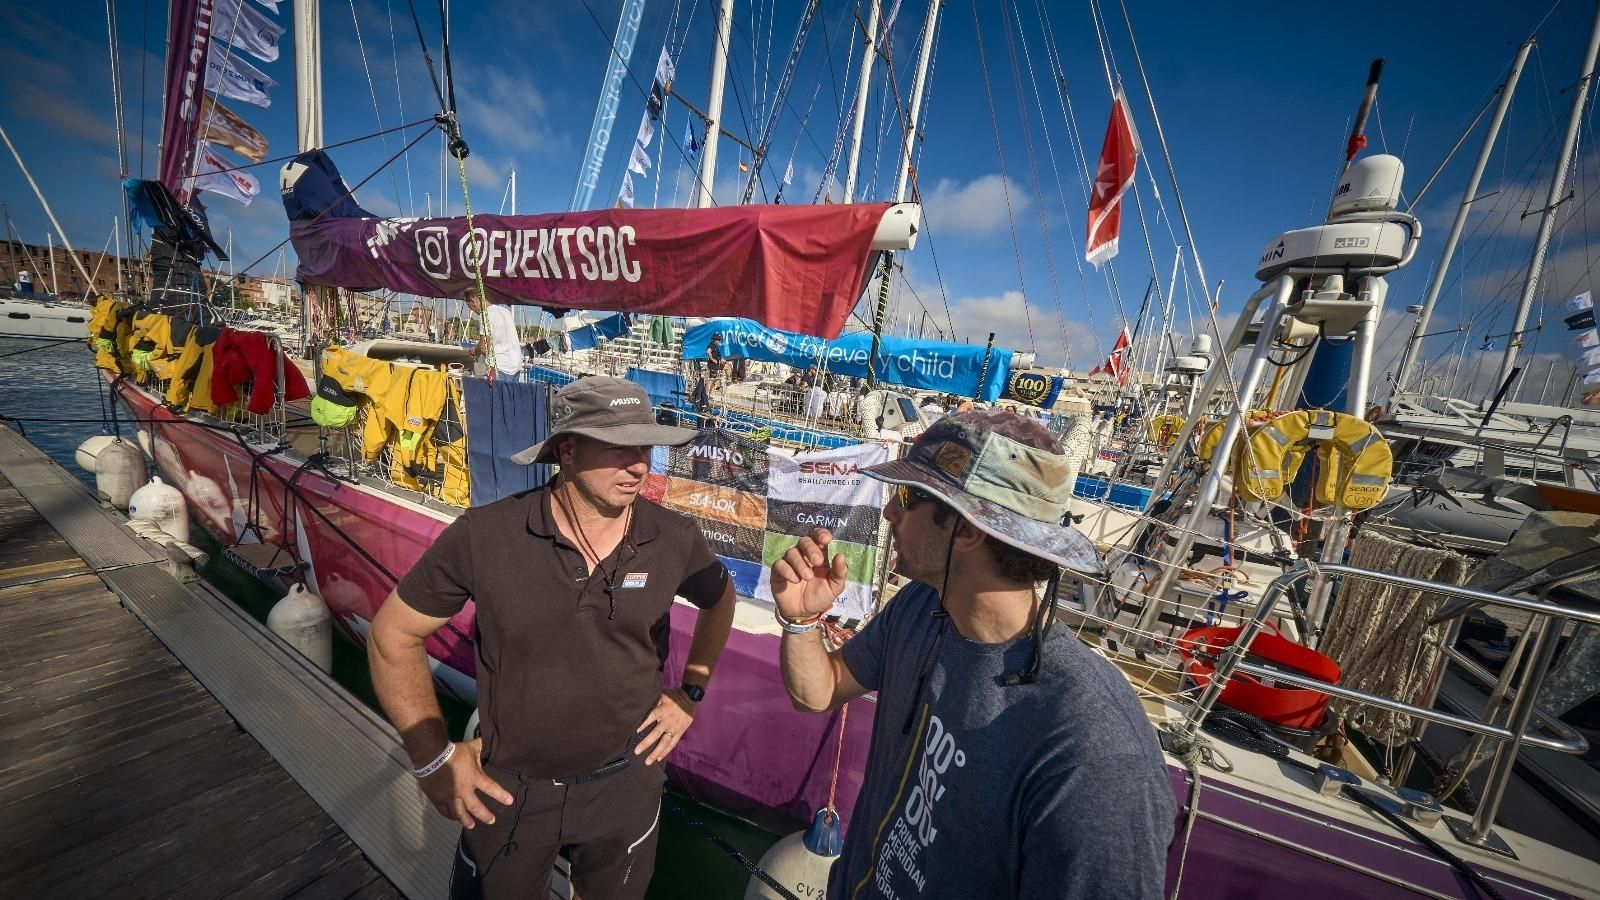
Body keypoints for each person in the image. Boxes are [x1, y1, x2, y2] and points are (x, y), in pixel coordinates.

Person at [771, 409, 1175, 899]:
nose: (889, 513)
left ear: (965, 530)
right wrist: (802, 620)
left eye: (907, 496)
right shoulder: (923, 607)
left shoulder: (1093, 752)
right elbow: (820, 691)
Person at [369, 376, 737, 900]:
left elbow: (720, 599)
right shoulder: (486, 535)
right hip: (509, 788)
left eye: (645, 447)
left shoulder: (675, 539)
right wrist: (433, 758)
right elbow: (392, 635)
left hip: (627, 786)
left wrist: (691, 694)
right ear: (566, 449)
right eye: (618, 447)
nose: (638, 465)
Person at [469, 293, 525, 380]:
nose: (474, 311)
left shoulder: (485, 314)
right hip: (515, 366)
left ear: (473, 301)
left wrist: (474, 350)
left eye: (470, 307)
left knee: (496, 393)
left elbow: (483, 348)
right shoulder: (506, 311)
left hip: (500, 367)